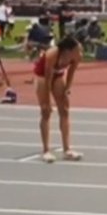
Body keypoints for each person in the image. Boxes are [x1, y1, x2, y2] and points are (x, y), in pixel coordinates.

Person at [33, 34, 83, 163]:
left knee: (65, 110)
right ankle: (46, 150)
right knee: (46, 111)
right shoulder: (52, 55)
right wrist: (48, 100)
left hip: (59, 76)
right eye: (77, 49)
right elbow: (48, 78)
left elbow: (71, 71)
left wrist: (67, 88)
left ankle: (67, 149)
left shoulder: (77, 56)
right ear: (68, 50)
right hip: (43, 77)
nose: (80, 52)